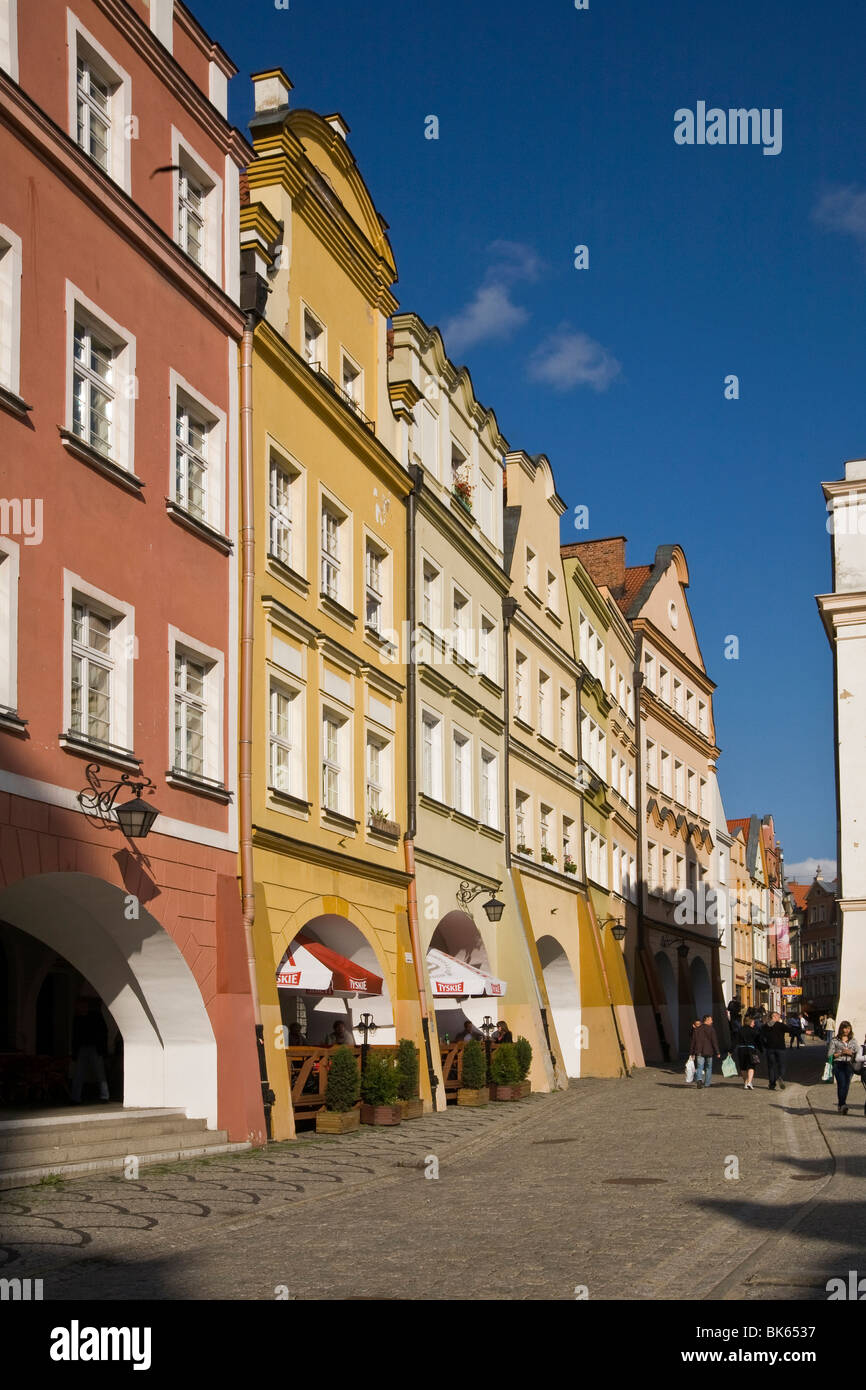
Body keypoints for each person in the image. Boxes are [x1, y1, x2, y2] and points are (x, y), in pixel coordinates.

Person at [70, 997, 110, 1103]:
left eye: (82, 1006)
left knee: (100, 1073)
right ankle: (75, 1098)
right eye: (79, 1006)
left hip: (94, 1048)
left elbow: (103, 1032)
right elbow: (75, 1036)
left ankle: (104, 1096)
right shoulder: (77, 1018)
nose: (80, 1008)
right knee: (79, 1073)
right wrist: (74, 1052)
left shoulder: (95, 1016)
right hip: (82, 1049)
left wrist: (102, 1049)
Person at [828, 1021, 859, 1114]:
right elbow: (830, 1054)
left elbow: (858, 1052)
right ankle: (842, 1105)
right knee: (841, 1084)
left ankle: (841, 1105)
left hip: (849, 1064)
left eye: (848, 1028)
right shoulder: (834, 1040)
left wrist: (851, 1053)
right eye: (845, 1028)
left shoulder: (853, 1040)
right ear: (841, 1029)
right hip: (838, 1064)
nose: (846, 1030)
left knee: (846, 1085)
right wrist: (842, 1053)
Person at [760, 1012, 788, 1091]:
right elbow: (791, 1030)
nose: (779, 1018)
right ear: (775, 1017)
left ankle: (772, 1084)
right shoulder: (780, 1025)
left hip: (770, 1049)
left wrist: (765, 1045)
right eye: (778, 1016)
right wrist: (803, 1031)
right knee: (781, 1065)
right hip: (780, 1048)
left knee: (771, 1067)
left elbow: (760, 1037)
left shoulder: (765, 1026)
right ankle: (780, 1077)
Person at [691, 1014, 720, 1089]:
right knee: (708, 1067)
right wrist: (717, 1052)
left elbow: (693, 1042)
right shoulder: (711, 1029)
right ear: (706, 1020)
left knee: (700, 1067)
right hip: (709, 1051)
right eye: (711, 1019)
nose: (712, 1021)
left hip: (699, 1051)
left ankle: (699, 1079)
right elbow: (714, 1042)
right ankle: (707, 1083)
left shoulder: (697, 1029)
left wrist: (692, 1053)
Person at [736, 1014, 761, 1090]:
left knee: (743, 1067)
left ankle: (745, 1083)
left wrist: (730, 1050)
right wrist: (761, 1049)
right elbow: (758, 1041)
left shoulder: (740, 1030)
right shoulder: (754, 1031)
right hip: (751, 1050)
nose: (754, 1024)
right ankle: (749, 1082)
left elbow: (735, 1041)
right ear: (750, 1022)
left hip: (741, 1050)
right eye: (753, 1022)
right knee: (751, 1066)